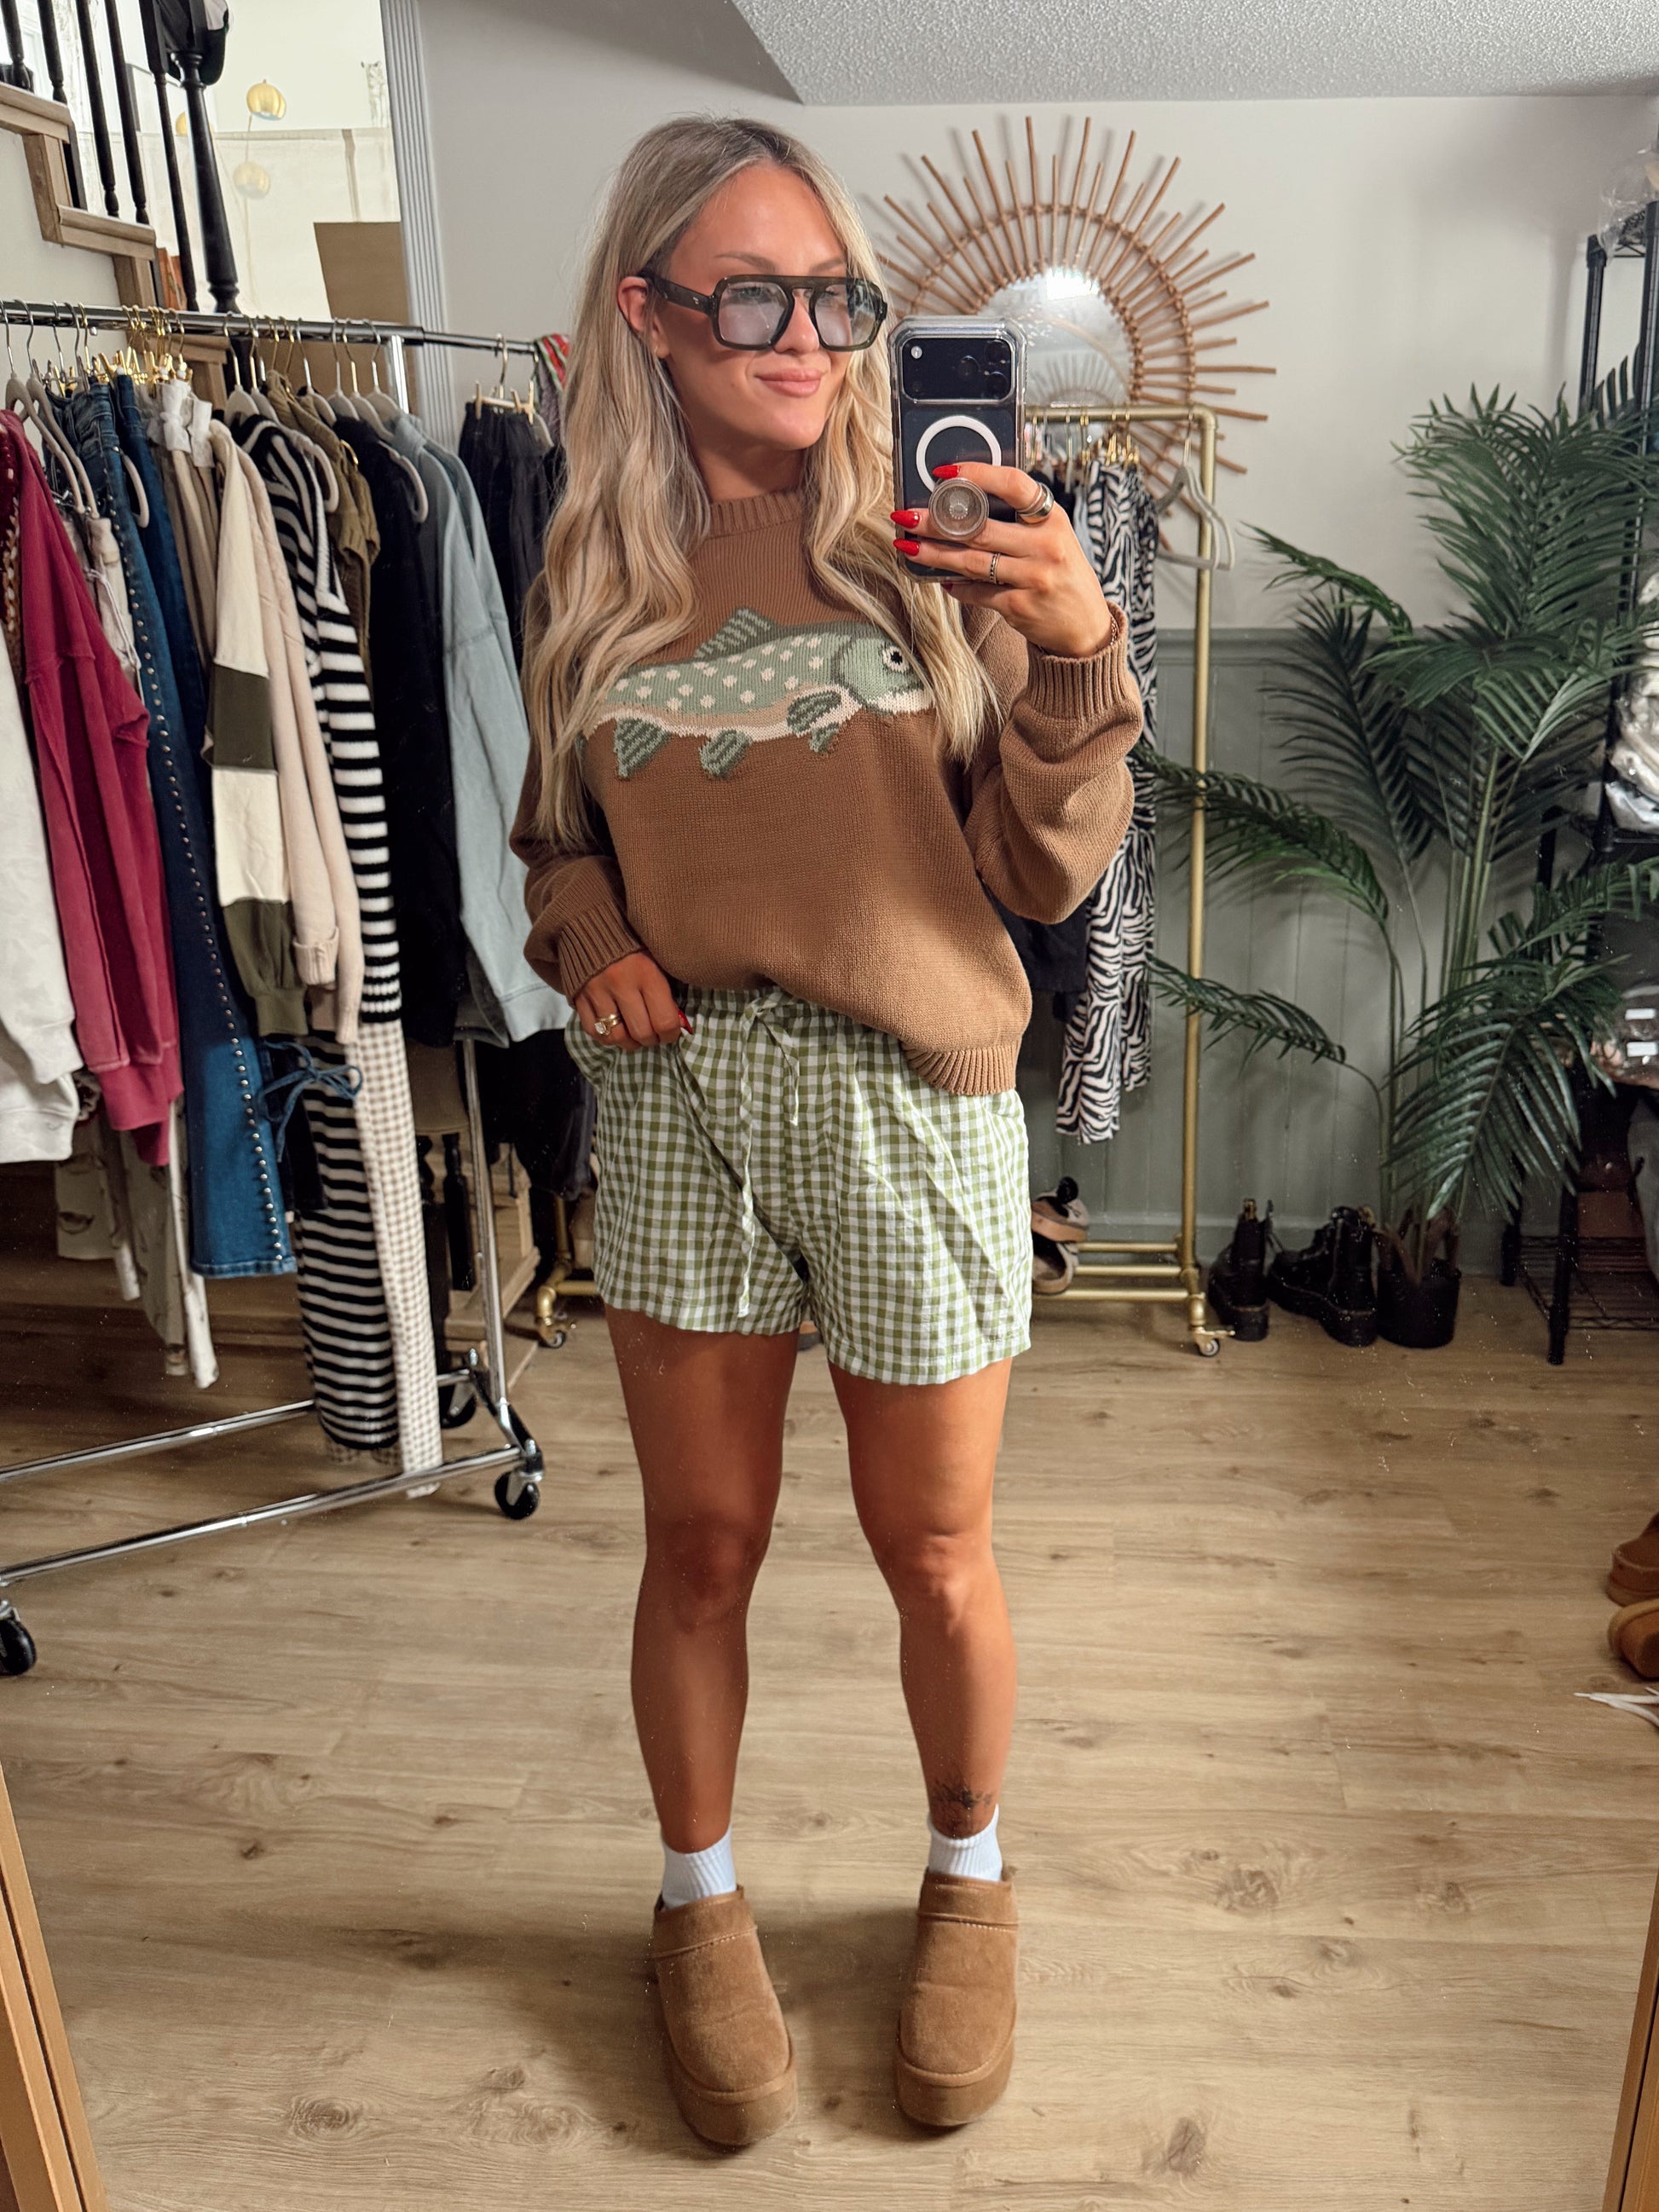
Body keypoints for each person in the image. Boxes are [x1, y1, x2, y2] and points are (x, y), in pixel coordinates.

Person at [512, 114, 1141, 2146]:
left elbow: (1040, 874)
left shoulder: (932, 542)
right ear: (647, 313)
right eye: (754, 299)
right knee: (698, 1544)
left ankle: (968, 1870)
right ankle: (696, 1895)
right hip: (684, 1088)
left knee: (933, 1548)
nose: (808, 340)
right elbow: (552, 839)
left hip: (911, 1092)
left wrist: (1079, 650)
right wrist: (595, 938)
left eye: (837, 298)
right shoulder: (588, 561)